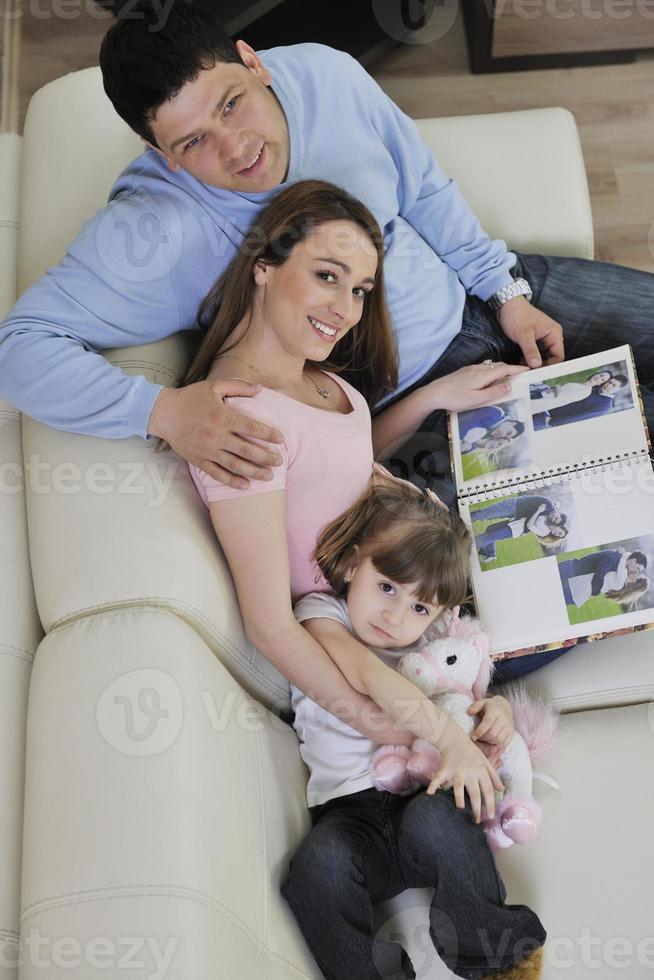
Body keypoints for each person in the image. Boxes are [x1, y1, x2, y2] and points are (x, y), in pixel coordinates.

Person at [3, 0, 653, 678]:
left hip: (479, 299)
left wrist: (506, 292)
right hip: (416, 417)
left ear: (254, 63)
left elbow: (424, 187)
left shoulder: (325, 76)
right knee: (630, 468)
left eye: (231, 104)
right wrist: (160, 411)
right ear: (159, 156)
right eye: (191, 142)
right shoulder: (155, 235)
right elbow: (19, 348)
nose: (234, 148)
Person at [182, 179, 515, 834]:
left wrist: (437, 396)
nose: (345, 308)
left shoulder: (321, 376)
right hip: (397, 609)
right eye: (328, 276)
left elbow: (349, 462)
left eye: (359, 289)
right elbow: (272, 624)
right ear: (263, 269)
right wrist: (380, 723)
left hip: (424, 528)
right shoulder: (238, 419)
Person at [281, 470, 546, 980]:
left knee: (438, 823)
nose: (394, 616)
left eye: (419, 606)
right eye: (385, 587)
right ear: (355, 562)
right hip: (348, 812)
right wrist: (451, 740)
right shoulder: (321, 614)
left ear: (441, 613)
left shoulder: (438, 642)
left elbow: (467, 698)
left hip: (426, 793)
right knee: (317, 868)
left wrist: (500, 712)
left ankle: (495, 956)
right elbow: (367, 676)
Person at [472, 494, 568, 562]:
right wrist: (555, 508)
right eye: (556, 518)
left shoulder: (545, 527)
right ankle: (490, 553)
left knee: (490, 532)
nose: (554, 519)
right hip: (514, 507)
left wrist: (526, 528)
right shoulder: (548, 506)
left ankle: (469, 544)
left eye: (555, 521)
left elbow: (529, 525)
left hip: (517, 525)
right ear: (558, 512)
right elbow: (555, 505)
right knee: (488, 525)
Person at [558, 547, 648, 608]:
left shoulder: (620, 566)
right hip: (569, 575)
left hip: (575, 587)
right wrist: (595, 592)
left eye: (638, 571)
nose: (635, 572)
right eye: (637, 568)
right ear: (633, 560)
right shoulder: (615, 558)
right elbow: (597, 581)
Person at [533, 373, 629, 430]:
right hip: (544, 406)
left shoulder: (605, 406)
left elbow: (579, 418)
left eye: (614, 385)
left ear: (618, 390)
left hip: (545, 418)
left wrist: (552, 422)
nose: (609, 385)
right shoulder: (595, 389)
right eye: (609, 382)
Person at [529, 368, 612, 412]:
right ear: (597, 373)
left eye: (602, 380)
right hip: (542, 396)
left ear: (600, 384)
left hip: (541, 402)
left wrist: (557, 386)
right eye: (601, 375)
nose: (599, 378)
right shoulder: (582, 385)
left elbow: (560, 397)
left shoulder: (586, 391)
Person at [459, 405, 525, 454]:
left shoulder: (492, 430)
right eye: (508, 432)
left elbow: (473, 445)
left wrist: (468, 447)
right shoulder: (496, 413)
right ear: (511, 423)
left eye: (505, 436)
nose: (502, 435)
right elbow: (467, 423)